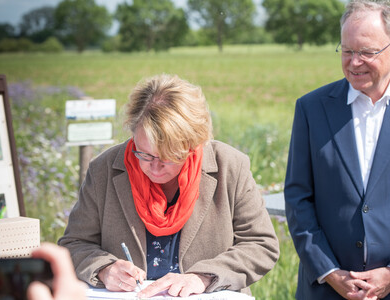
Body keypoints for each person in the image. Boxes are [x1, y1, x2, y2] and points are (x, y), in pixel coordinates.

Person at [58, 74, 279, 298]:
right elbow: (74, 243)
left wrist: (203, 277)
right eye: (144, 154)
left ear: (193, 143)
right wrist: (104, 269)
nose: (155, 168)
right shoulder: (103, 170)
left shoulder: (230, 166)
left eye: (168, 157)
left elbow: (260, 245)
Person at [285, 1, 390, 299]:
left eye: (367, 52)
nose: (354, 62)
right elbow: (298, 198)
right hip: (324, 290)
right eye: (347, 50)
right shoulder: (311, 108)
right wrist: (329, 272)